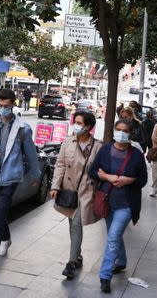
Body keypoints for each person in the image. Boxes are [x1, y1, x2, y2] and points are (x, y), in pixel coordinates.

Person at [0, 88, 41, 276]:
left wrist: (36, 176)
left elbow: (31, 155)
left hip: (10, 178)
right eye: (0, 105)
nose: (3, 108)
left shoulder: (23, 129)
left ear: (13, 104)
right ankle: (5, 238)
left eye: (6, 105)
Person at [88, 119, 148, 294]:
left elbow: (143, 180)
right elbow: (92, 171)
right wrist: (107, 177)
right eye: (118, 129)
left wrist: (130, 180)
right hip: (107, 201)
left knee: (113, 236)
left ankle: (105, 276)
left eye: (125, 130)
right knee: (114, 235)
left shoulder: (136, 155)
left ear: (130, 134)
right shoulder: (105, 150)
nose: (121, 133)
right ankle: (121, 262)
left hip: (127, 204)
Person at [50, 111, 103, 280]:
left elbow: (101, 170)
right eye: (75, 122)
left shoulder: (97, 146)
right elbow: (60, 165)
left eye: (79, 123)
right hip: (69, 190)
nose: (76, 125)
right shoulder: (68, 142)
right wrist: (55, 186)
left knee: (76, 225)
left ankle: (71, 262)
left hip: (87, 192)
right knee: (72, 224)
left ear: (88, 127)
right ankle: (78, 255)